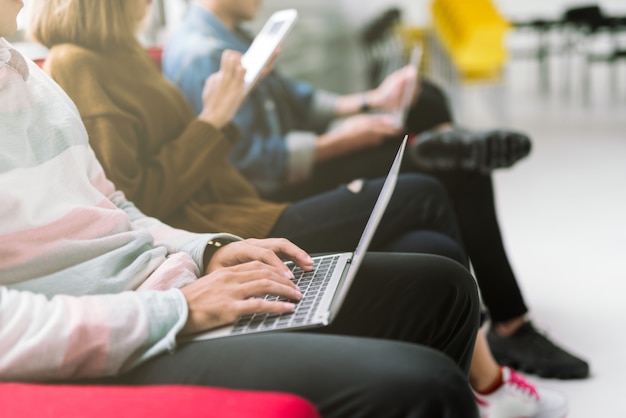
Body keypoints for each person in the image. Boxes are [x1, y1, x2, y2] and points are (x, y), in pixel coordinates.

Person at [27, 1, 570, 416]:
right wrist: (216, 120)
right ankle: (493, 368)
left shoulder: (117, 58)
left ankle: (488, 364)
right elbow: (145, 192)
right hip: (234, 213)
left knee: (438, 253)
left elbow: (117, 201)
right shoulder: (82, 66)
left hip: (228, 217)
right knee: (427, 196)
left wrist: (357, 108)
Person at [162, 0, 589, 381]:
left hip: (286, 172)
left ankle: (439, 145)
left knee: (429, 106)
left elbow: (300, 99)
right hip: (273, 192)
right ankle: (501, 325)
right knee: (450, 173)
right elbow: (255, 162)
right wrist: (344, 140)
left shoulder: (231, 34)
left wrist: (371, 101)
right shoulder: (204, 53)